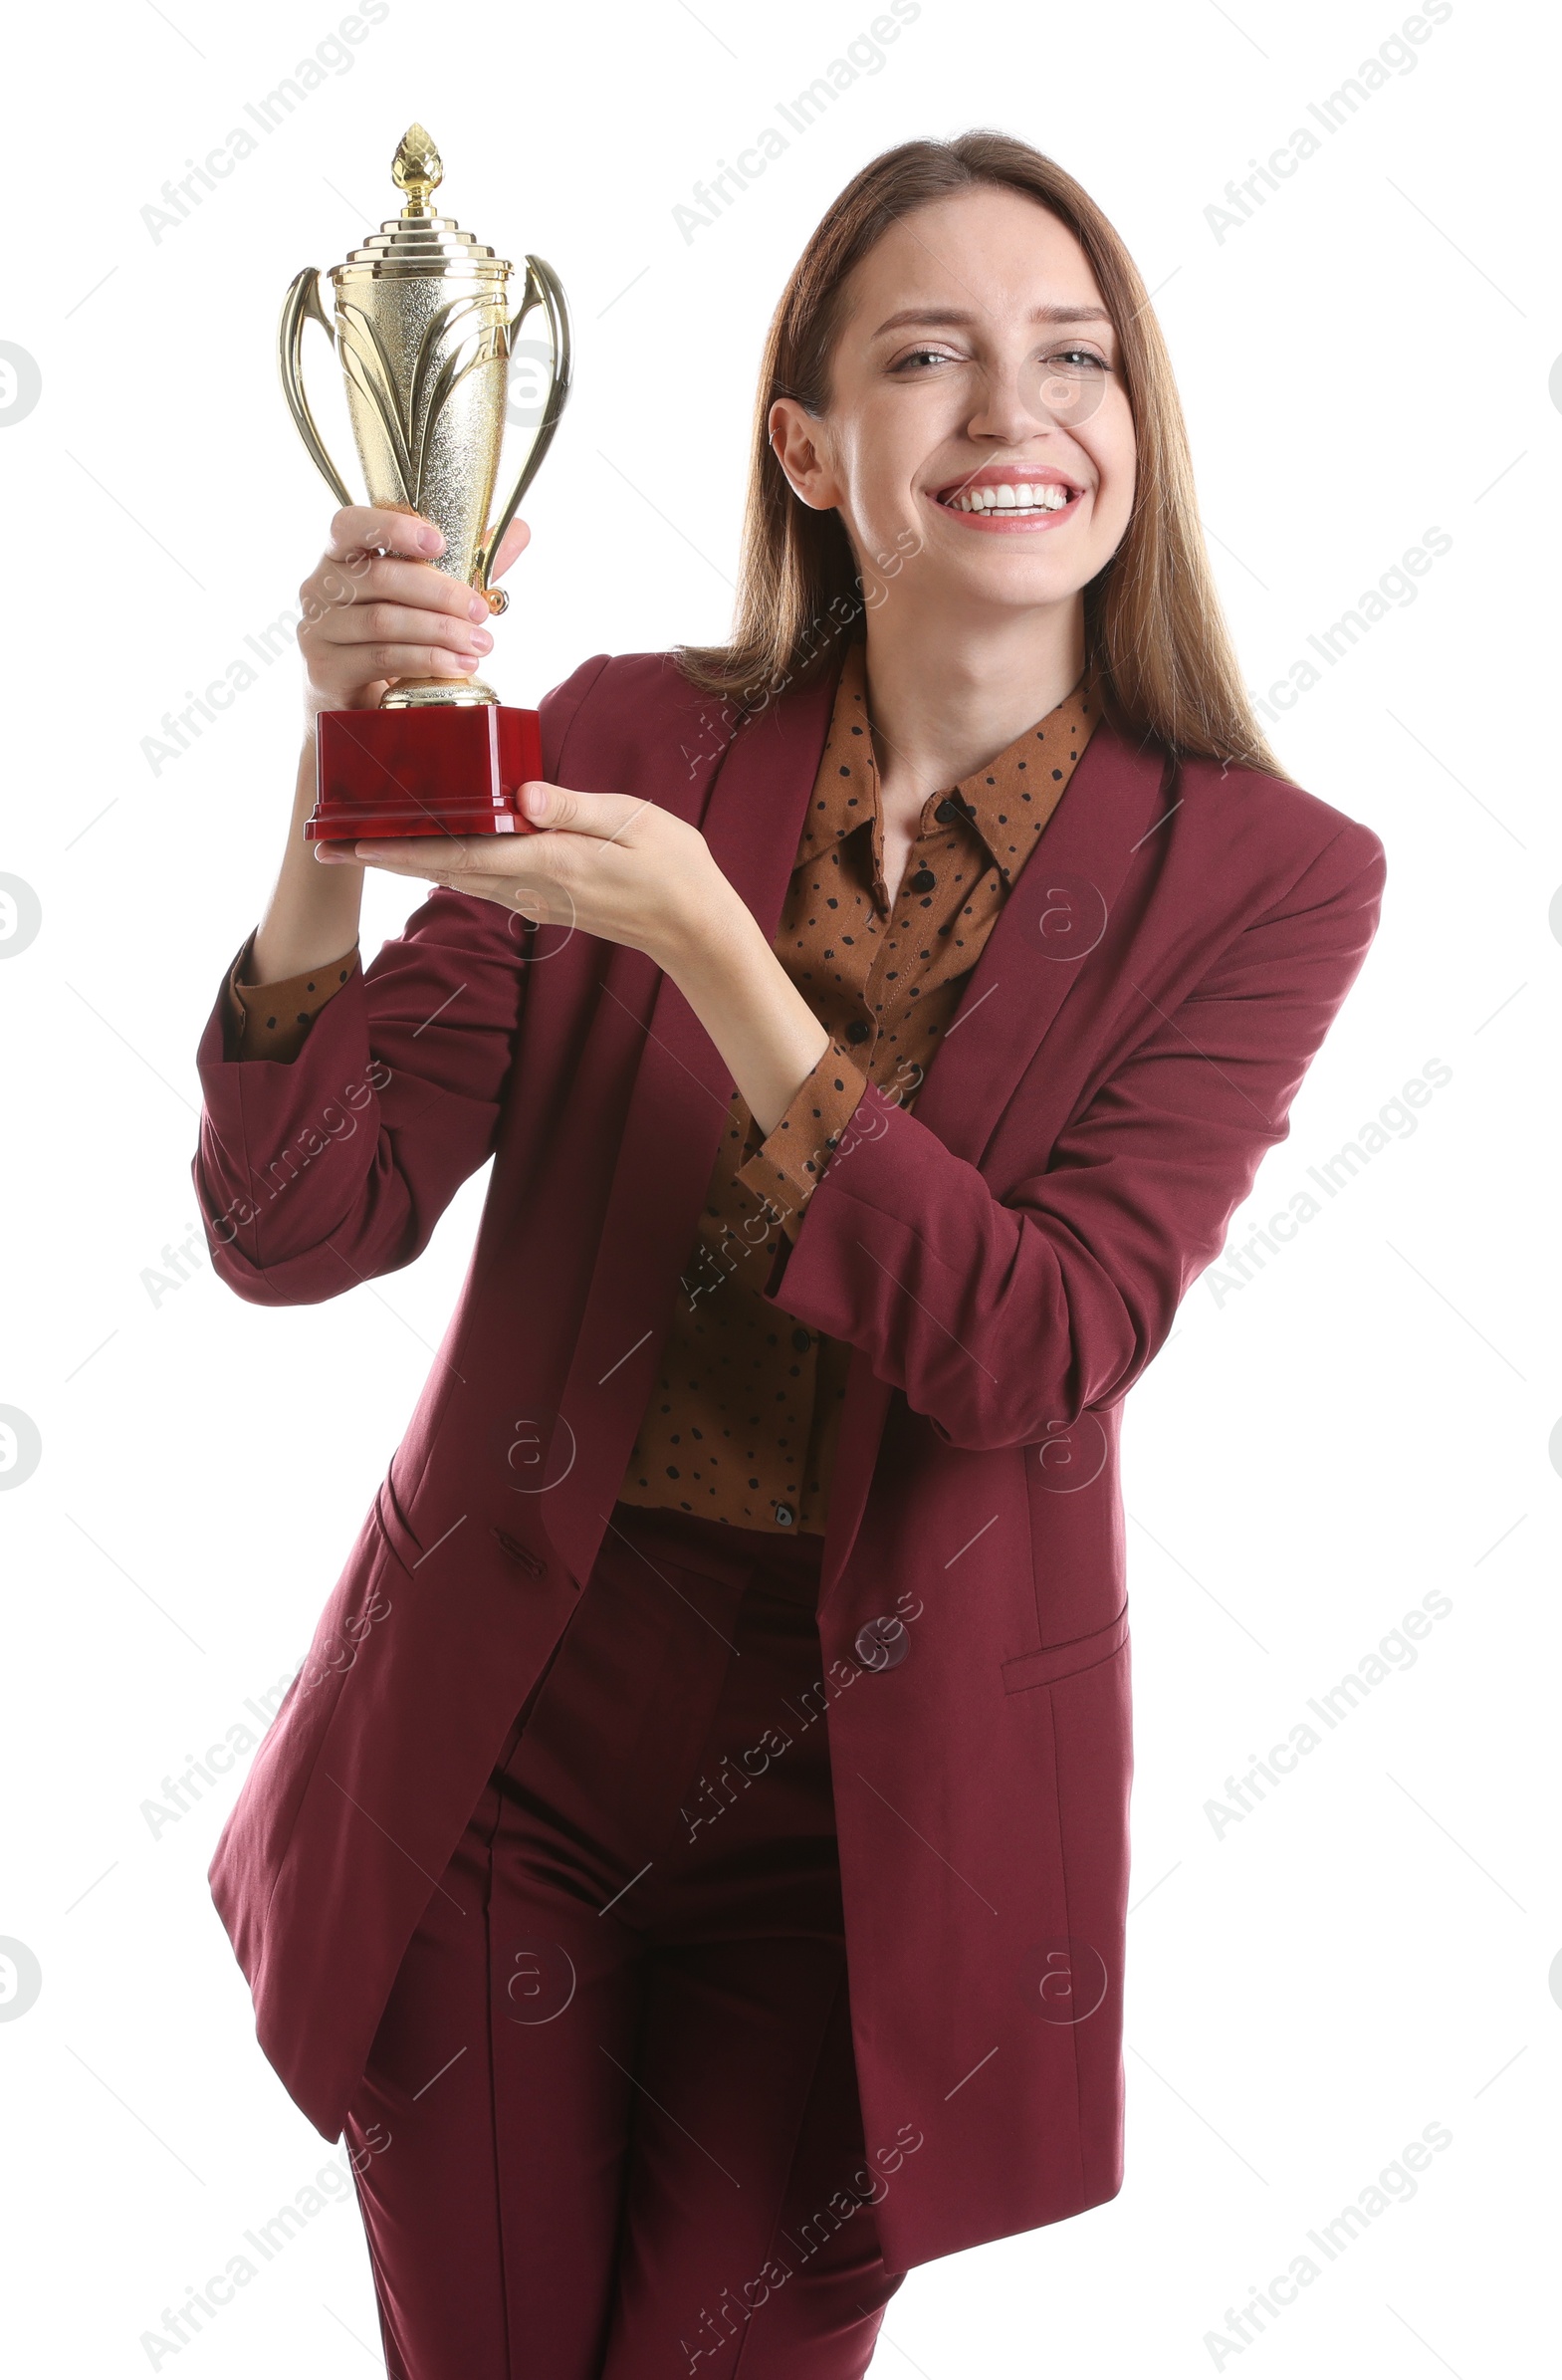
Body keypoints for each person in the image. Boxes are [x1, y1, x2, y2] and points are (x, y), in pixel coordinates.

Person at [194, 130, 1386, 2377]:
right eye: (926, 356)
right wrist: (340, 783)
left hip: (872, 1823)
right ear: (809, 447)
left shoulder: (1264, 874)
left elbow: (1033, 1347)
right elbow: (290, 1222)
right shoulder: (647, 738)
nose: (1014, 414)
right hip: (492, 1758)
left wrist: (720, 962)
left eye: (1074, 359)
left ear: (1135, 430)